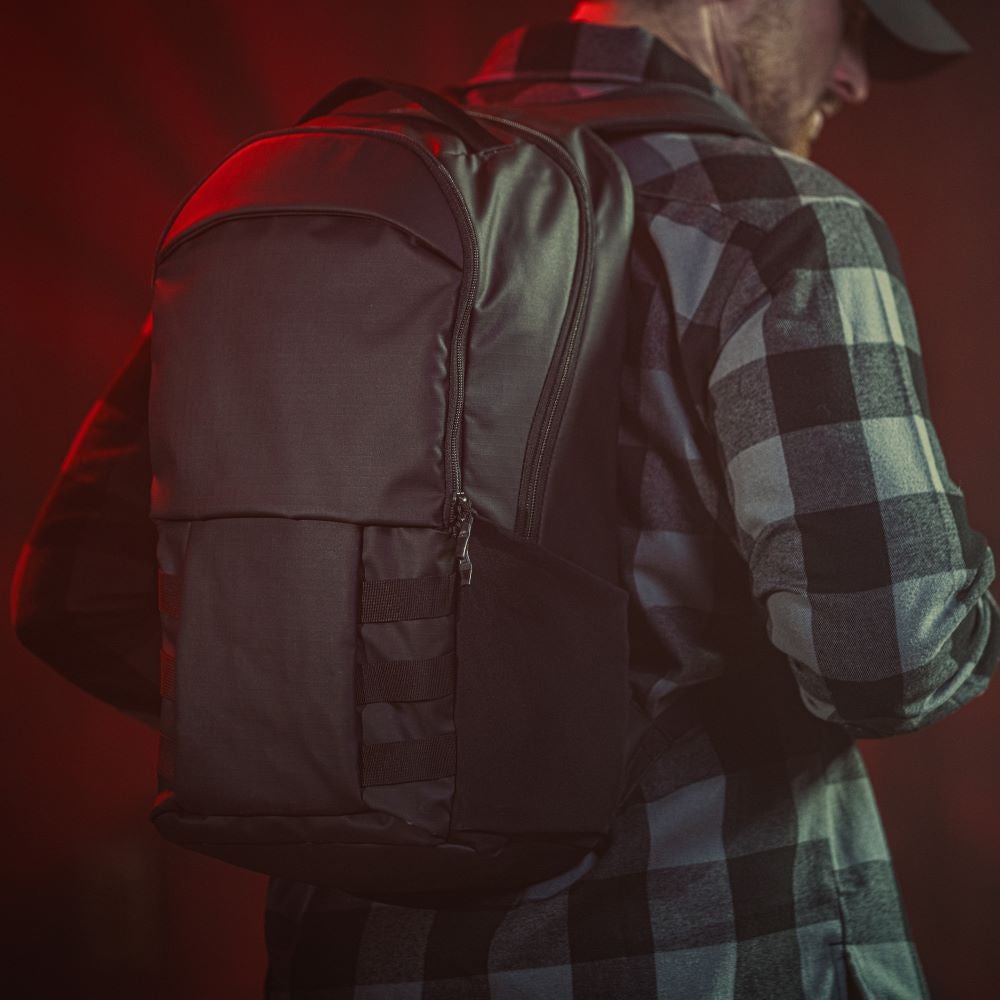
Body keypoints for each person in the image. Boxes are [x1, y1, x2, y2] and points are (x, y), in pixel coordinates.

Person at [10, 2, 997, 998]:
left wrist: (365, 732)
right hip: (702, 960)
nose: (855, 80)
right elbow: (889, 656)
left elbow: (82, 596)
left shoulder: (316, 203)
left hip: (347, 967)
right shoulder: (776, 219)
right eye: (856, 24)